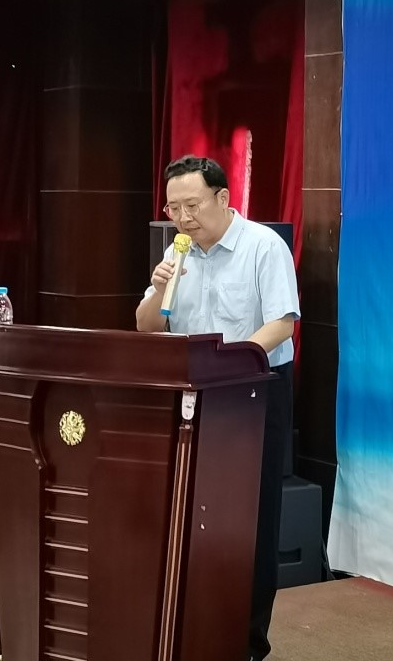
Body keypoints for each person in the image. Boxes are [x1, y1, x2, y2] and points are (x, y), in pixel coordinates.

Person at [136, 155, 299, 661]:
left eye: (192, 205)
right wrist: (159, 288)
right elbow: (147, 326)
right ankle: (193, 630)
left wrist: (232, 366)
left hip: (253, 391)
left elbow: (283, 324)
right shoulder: (177, 251)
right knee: (192, 514)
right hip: (192, 394)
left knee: (250, 519)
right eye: (173, 208)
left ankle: (247, 642)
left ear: (223, 198)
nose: (182, 218)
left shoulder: (262, 247)